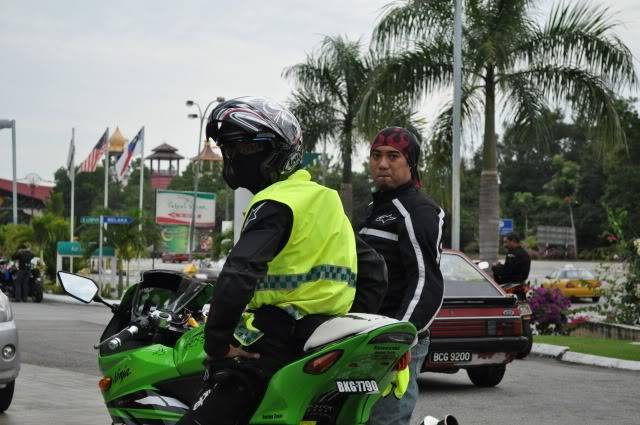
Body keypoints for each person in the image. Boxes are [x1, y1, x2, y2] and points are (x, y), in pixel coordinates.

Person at [176, 96, 360, 425]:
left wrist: (217, 343)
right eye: (228, 149)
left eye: (243, 149)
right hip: (327, 339)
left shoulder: (276, 201)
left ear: (273, 154)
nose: (232, 157)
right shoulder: (325, 201)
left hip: (274, 340)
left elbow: (240, 272)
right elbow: (375, 271)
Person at [359, 127, 445, 425]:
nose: (382, 164)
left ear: (411, 163)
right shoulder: (374, 208)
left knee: (385, 420)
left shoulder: (417, 211)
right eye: (376, 155)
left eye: (393, 156)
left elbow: (426, 283)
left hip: (396, 341)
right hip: (364, 337)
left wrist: (399, 338)